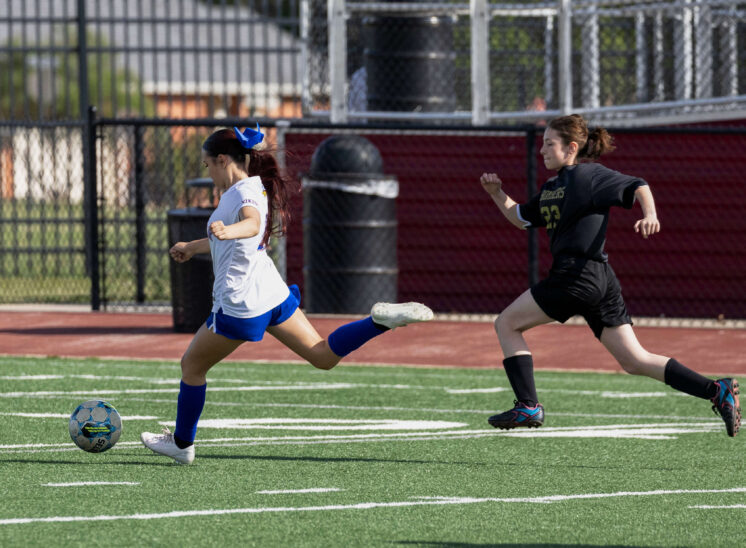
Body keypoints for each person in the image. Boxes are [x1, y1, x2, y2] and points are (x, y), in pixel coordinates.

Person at [141, 125, 433, 464]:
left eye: (207, 165)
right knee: (322, 356)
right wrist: (194, 247)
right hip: (270, 292)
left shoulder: (241, 194)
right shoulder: (250, 186)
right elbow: (239, 239)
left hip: (241, 303)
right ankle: (379, 322)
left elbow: (249, 225)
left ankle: (181, 443)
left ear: (223, 160)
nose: (207, 173)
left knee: (191, 365)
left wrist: (228, 229)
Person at [479, 114, 740, 436]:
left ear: (571, 147)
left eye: (549, 144)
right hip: (598, 279)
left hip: (575, 275)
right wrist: (496, 192)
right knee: (635, 360)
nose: (542, 150)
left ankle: (528, 405)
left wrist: (651, 215)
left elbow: (637, 185)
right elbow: (522, 218)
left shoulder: (588, 175)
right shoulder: (553, 186)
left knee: (506, 323)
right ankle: (717, 390)